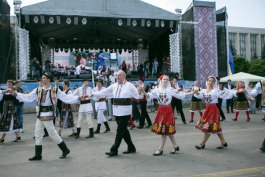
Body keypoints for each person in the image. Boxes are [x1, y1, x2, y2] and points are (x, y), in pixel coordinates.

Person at [9, 73, 83, 161]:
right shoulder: (38, 90)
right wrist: (15, 94)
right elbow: (28, 97)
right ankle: (38, 155)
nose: (42, 79)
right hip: (40, 115)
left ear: (48, 79)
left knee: (52, 133)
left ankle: (65, 149)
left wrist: (78, 98)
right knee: (38, 134)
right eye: (42, 78)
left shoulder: (54, 90)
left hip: (48, 115)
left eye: (44, 78)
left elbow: (66, 98)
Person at [91, 70, 138, 157]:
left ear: (124, 76)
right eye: (117, 76)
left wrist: (141, 92)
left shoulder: (129, 85)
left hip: (125, 112)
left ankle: (114, 150)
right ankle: (131, 147)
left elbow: (137, 95)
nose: (117, 77)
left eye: (119, 76)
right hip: (117, 111)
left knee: (120, 131)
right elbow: (103, 92)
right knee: (124, 131)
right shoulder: (114, 85)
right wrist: (93, 94)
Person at [143, 74, 185, 156]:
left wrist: (191, 92)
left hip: (168, 110)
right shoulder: (157, 89)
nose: (165, 81)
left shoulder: (171, 89)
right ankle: (175, 146)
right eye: (164, 79)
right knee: (167, 130)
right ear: (161, 80)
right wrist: (143, 91)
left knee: (164, 130)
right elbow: (149, 96)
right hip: (161, 110)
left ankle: (160, 149)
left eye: (167, 79)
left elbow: (180, 95)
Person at [194, 76, 229, 150]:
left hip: (213, 110)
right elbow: (200, 96)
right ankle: (223, 142)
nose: (210, 82)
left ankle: (202, 144)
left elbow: (224, 94)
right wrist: (196, 92)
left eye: (212, 81)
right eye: (209, 81)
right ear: (207, 81)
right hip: (207, 109)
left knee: (208, 127)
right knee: (216, 127)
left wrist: (231, 92)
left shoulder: (216, 90)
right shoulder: (204, 90)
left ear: (214, 82)